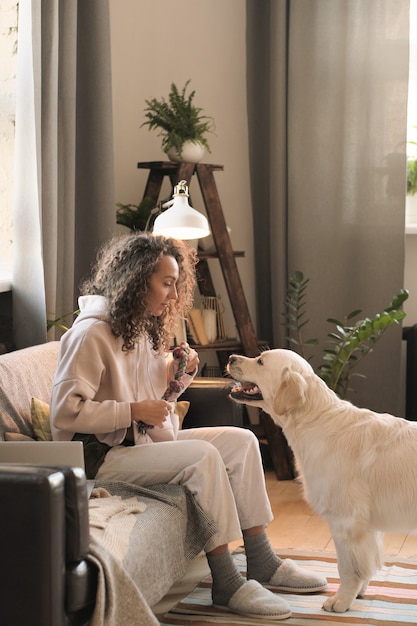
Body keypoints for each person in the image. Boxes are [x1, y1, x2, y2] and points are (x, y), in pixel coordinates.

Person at [50, 232, 327, 620]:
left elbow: (146, 392)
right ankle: (227, 582)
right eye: (165, 282)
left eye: (175, 283)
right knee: (203, 456)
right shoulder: (90, 332)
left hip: (136, 445)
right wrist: (132, 411)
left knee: (242, 441)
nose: (172, 293)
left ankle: (262, 559)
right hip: (97, 459)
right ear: (135, 278)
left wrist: (174, 371)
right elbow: (63, 414)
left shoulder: (136, 326)